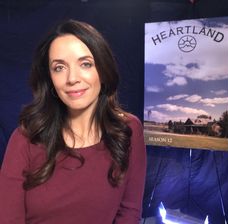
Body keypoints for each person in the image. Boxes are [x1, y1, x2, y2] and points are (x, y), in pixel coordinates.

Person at [0, 19, 146, 224]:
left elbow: (129, 214)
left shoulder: (128, 130)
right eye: (59, 67)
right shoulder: (25, 139)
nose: (72, 78)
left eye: (85, 64)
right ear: (49, 78)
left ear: (103, 70)